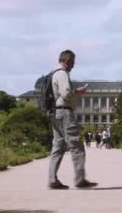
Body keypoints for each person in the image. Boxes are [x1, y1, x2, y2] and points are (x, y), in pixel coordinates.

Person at [48, 50, 97, 189]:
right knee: (77, 146)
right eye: (73, 63)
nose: (73, 66)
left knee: (57, 146)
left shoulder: (53, 73)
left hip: (55, 113)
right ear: (67, 60)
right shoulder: (62, 74)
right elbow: (66, 94)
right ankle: (80, 179)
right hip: (64, 112)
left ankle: (52, 180)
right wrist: (77, 91)